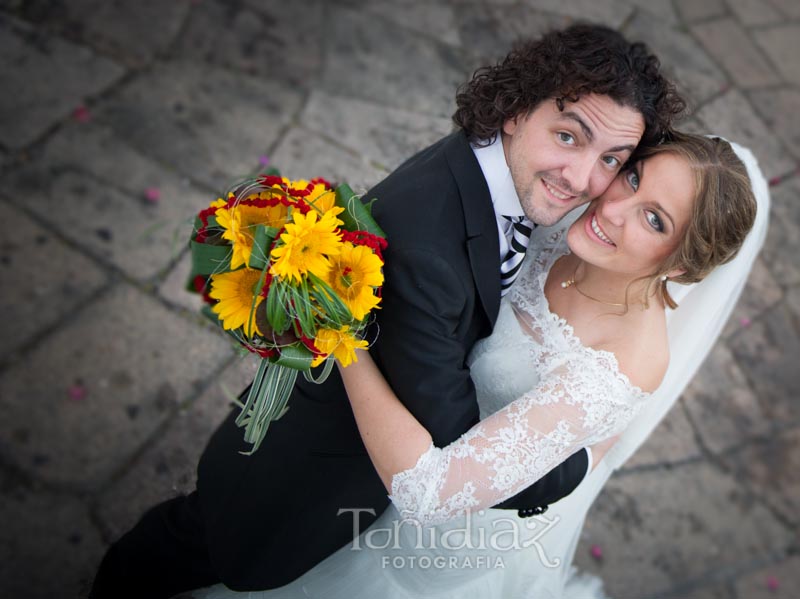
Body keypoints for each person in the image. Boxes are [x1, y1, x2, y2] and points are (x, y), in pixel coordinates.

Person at [90, 23, 684, 598]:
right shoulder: (428, 253)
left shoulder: (484, 165)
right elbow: (456, 444)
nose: (584, 179)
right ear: (517, 110)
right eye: (568, 136)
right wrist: (576, 464)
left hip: (321, 446)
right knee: (185, 554)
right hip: (297, 481)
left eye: (612, 159)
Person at [190, 132, 766, 599]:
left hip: (447, 521)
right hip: (403, 433)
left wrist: (342, 331)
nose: (613, 208)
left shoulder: (620, 366)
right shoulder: (569, 226)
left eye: (654, 220)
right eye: (633, 177)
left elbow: (430, 494)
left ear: (683, 270)